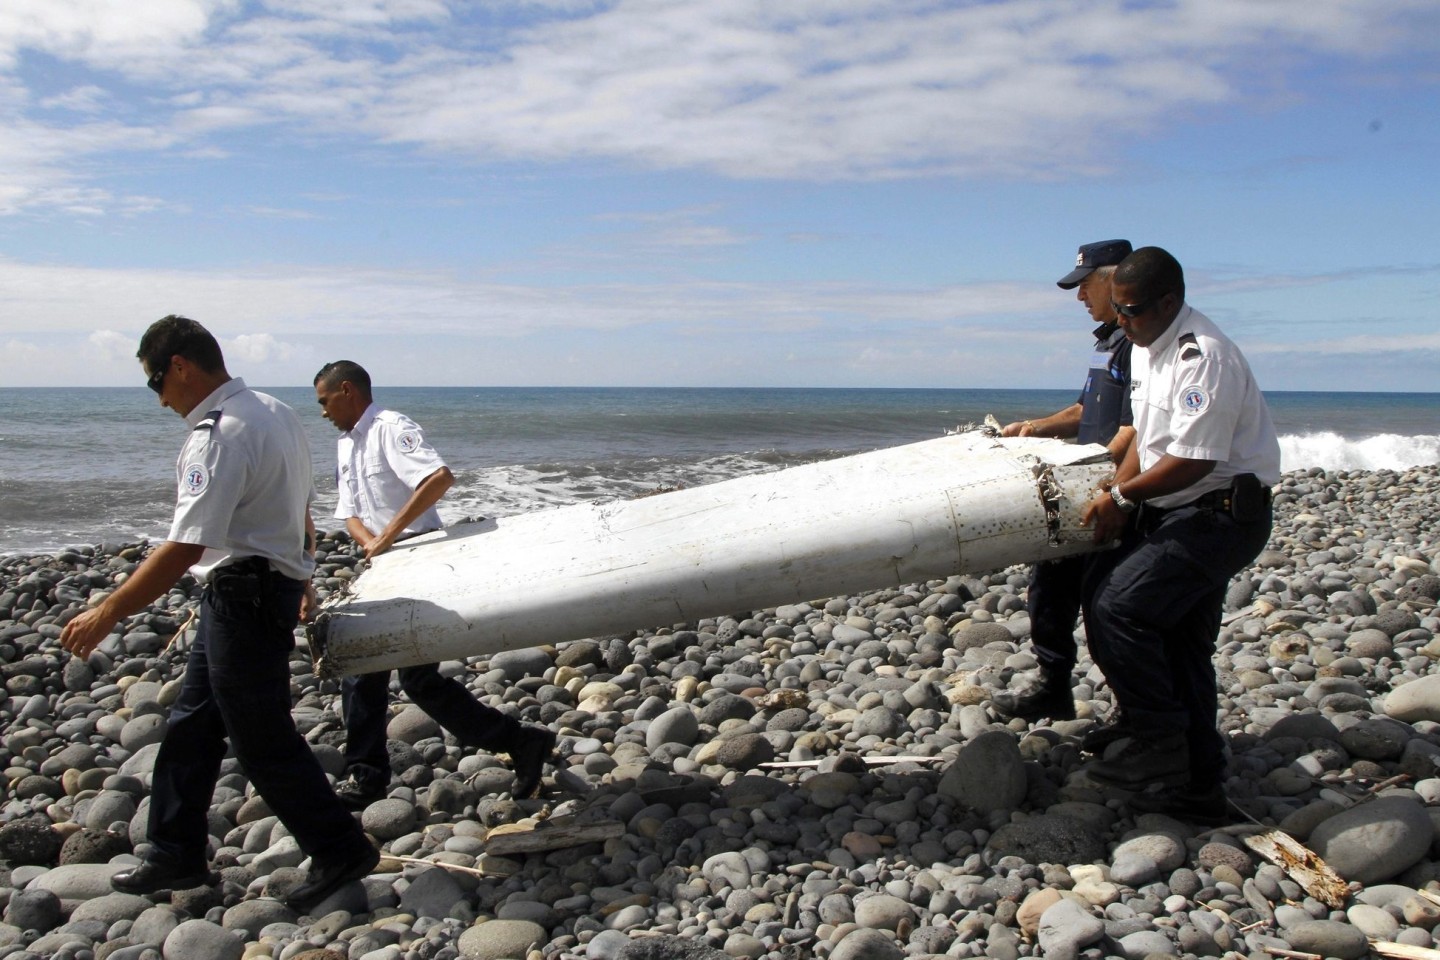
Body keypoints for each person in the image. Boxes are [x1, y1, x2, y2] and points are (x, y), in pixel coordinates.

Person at [60, 316, 377, 910]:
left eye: (157, 382)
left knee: (261, 738)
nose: (160, 400)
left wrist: (109, 610)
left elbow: (184, 547)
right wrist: (301, 573)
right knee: (193, 724)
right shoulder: (274, 412)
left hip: (245, 595)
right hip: (254, 588)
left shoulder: (220, 431)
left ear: (180, 366)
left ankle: (339, 846)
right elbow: (296, 504)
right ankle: (174, 850)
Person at [1078, 247, 1280, 822]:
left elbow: (1193, 460)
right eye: (1116, 309)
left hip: (1220, 515)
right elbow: (1147, 431)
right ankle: (1198, 785)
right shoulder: (1147, 345)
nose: (1120, 321)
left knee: (1122, 609)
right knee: (1177, 640)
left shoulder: (1204, 358)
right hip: (1177, 509)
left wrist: (1120, 497)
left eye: (1132, 311)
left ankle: (1158, 740)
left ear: (1169, 302)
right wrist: (1120, 492)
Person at [313, 361, 556, 807]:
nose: (323, 412)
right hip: (381, 563)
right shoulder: (346, 445)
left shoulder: (391, 428)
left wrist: (387, 537)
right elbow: (348, 509)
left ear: (346, 390)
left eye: (325, 401)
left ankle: (517, 742)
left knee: (409, 676)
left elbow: (437, 478)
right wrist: (371, 543)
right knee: (371, 671)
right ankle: (367, 775)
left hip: (418, 555)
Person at [992, 239, 1136, 725]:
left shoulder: (1139, 346)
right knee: (1049, 588)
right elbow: (1083, 411)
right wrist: (1031, 428)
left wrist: (1106, 487)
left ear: (1116, 281)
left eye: (1085, 286)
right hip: (1085, 487)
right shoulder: (1106, 343)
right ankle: (1054, 685)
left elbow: (1135, 431)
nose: (1079, 298)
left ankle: (1131, 711)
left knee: (1106, 607)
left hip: (1113, 493)